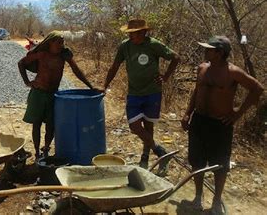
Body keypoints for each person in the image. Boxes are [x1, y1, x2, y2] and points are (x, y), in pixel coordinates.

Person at [181, 36, 264, 214]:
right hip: (199, 121)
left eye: (209, 49)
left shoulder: (233, 72)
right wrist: (188, 113)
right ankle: (198, 196)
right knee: (196, 161)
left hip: (220, 125)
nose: (205, 52)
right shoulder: (203, 68)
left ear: (219, 53)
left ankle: (217, 201)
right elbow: (197, 91)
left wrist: (237, 114)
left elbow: (257, 88)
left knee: (220, 165)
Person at [99, 19, 180, 174]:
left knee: (148, 126)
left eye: (134, 34)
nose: (131, 37)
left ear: (143, 32)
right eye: (129, 34)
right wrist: (105, 85)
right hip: (134, 93)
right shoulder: (125, 46)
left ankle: (145, 157)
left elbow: (176, 58)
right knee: (135, 126)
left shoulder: (154, 44)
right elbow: (115, 66)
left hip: (152, 92)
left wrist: (166, 77)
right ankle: (160, 151)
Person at [18, 31, 94, 159]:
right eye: (58, 42)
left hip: (53, 94)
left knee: (51, 124)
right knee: (36, 124)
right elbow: (21, 63)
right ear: (50, 43)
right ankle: (37, 151)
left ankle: (46, 148)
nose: (61, 45)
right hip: (38, 93)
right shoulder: (42, 54)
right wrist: (27, 82)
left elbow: (76, 70)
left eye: (62, 42)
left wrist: (91, 86)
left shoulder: (63, 56)